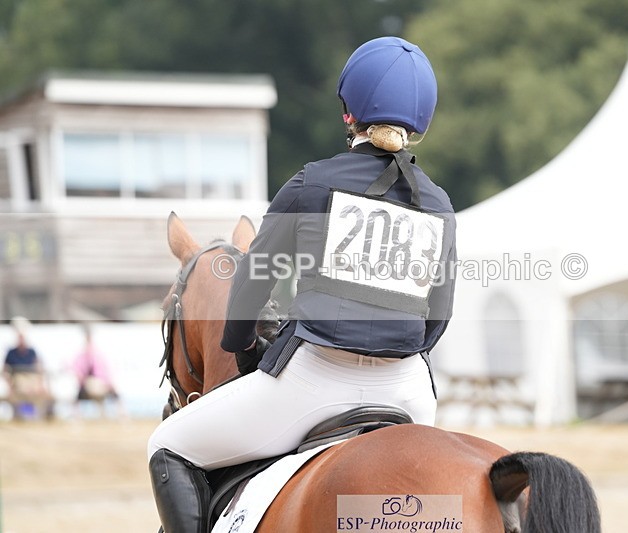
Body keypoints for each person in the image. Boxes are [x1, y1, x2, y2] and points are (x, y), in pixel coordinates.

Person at [147, 36, 457, 532]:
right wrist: (394, 350)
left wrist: (243, 348)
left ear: (348, 114)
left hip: (314, 382)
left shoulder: (312, 182)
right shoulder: (439, 204)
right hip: (408, 393)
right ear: (422, 121)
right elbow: (438, 317)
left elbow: (253, 279)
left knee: (165, 445)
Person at [3, 324, 54, 420]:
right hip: (18, 378)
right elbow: (6, 370)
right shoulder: (11, 352)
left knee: (41, 391)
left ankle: (41, 415)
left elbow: (38, 368)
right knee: (24, 386)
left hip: (31, 378)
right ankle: (23, 415)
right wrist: (9, 385)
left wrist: (41, 384)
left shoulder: (31, 352)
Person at [72, 326, 125, 419]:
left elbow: (104, 371)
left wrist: (106, 384)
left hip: (100, 383)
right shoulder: (82, 355)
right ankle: (77, 416)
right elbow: (78, 371)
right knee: (78, 395)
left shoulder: (97, 354)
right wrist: (85, 382)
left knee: (114, 392)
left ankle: (122, 414)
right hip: (87, 385)